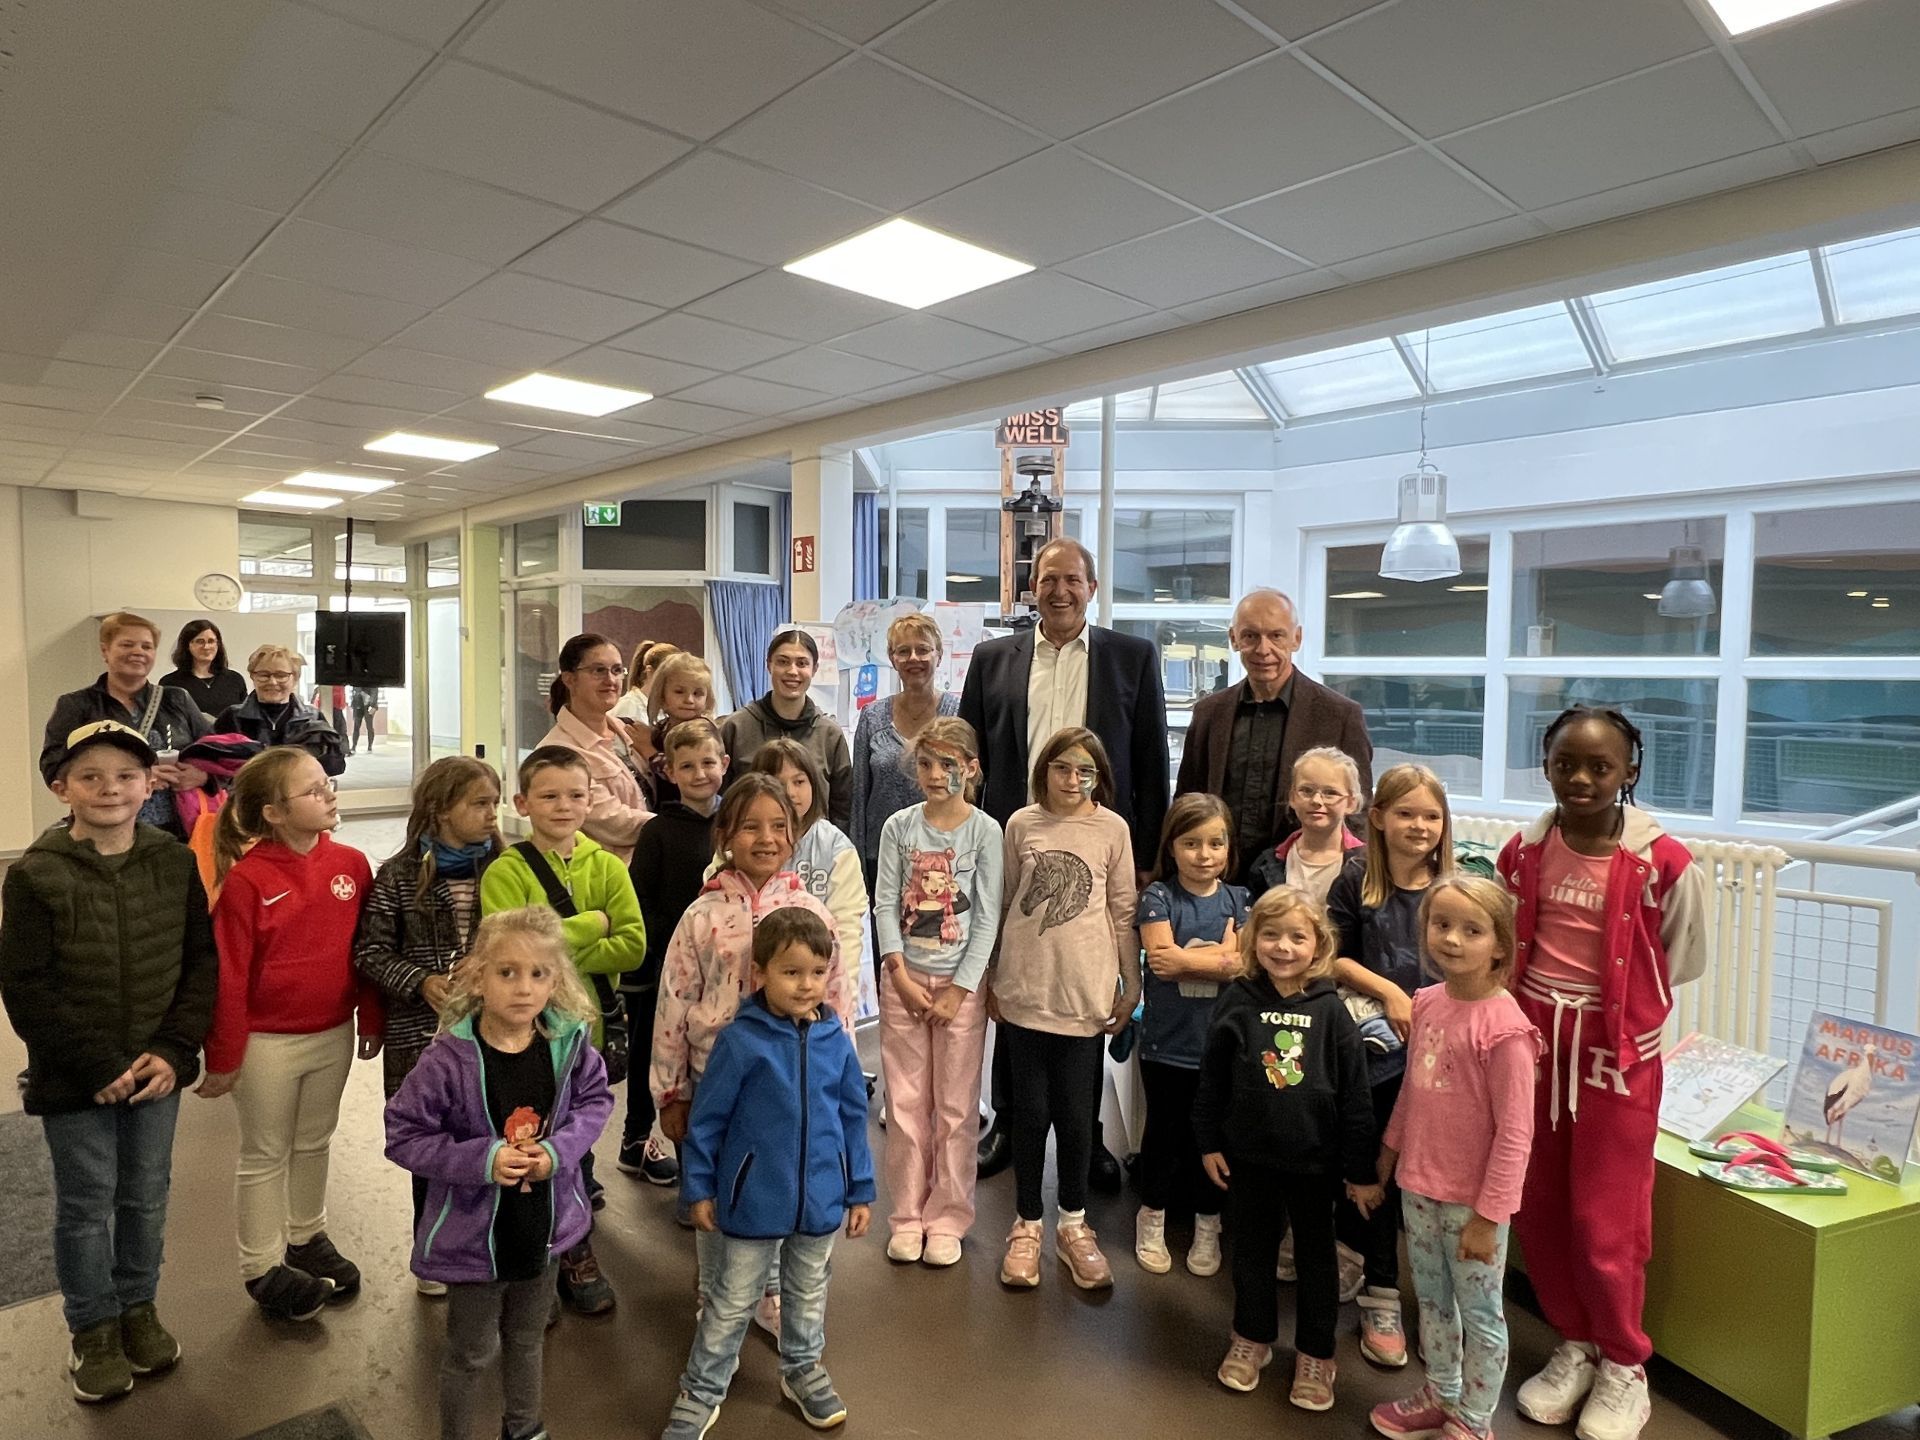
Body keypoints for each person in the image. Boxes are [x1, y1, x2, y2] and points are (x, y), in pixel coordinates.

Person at [1501, 708, 1705, 1440]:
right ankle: (1576, 1341)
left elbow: (1681, 956)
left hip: (1614, 1058)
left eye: (1600, 766)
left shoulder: (1664, 863)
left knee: (1605, 1216)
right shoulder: (1523, 851)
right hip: (1535, 1046)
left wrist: (1622, 1013)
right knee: (1538, 1202)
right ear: (1546, 766)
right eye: (1566, 764)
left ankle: (1624, 1361)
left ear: (1630, 772)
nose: (1581, 778)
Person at [0, 721, 217, 1405]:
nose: (109, 789)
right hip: (75, 1078)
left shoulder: (174, 861)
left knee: (146, 1196)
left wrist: (176, 1050)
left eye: (126, 775)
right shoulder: (35, 874)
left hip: (156, 1070)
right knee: (86, 1204)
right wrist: (95, 1064)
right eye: (89, 777)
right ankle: (93, 1327)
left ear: (150, 784)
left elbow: (200, 962)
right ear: (60, 787)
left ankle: (137, 1308)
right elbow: (26, 986)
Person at [959, 538, 1169, 1183]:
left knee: (1086, 988)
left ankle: (1089, 1134)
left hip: (1097, 844)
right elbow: (971, 756)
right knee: (1013, 977)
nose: (1059, 591)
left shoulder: (1132, 657)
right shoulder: (992, 659)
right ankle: (1009, 1122)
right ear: (1032, 588)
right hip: (1012, 842)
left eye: (1072, 580)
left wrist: (1147, 856)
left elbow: (1151, 759)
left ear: (1092, 587)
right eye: (1048, 579)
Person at [385, 907, 614, 1440]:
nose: (523, 988)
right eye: (507, 972)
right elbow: (403, 1133)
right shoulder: (447, 1061)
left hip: (544, 1230)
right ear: (477, 976)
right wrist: (482, 1161)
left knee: (528, 1338)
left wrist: (558, 1151)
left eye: (539, 973)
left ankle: (524, 1427)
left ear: (557, 981)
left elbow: (595, 1102)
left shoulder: (568, 1045)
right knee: (470, 1351)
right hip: (473, 1241)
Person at [659, 907, 874, 1440]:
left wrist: (860, 1189)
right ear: (760, 974)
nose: (806, 985)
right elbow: (708, 1122)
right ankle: (701, 1389)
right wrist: (699, 1187)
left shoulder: (836, 1042)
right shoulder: (740, 1042)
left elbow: (853, 1118)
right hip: (751, 1202)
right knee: (731, 1300)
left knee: (808, 1293)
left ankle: (802, 1370)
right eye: (791, 972)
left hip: (820, 1201)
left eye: (817, 972)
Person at [650, 774, 853, 1333]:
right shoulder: (701, 916)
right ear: (725, 835)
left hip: (790, 1087)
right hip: (715, 1085)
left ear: (794, 834)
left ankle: (771, 1293)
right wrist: (671, 1091)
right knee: (719, 1191)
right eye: (750, 826)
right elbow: (674, 1003)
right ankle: (715, 1298)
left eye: (779, 826)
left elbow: (837, 997)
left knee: (780, 1187)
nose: (766, 838)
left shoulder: (813, 913)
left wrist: (838, 1078)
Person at [202, 748, 380, 1322]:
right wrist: (225, 1055)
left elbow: (366, 951)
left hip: (333, 1032)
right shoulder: (247, 881)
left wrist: (371, 1017)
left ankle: (307, 1237)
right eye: (312, 790)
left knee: (314, 1140)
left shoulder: (352, 865)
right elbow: (229, 975)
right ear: (274, 813)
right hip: (266, 1044)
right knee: (264, 1153)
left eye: (327, 783)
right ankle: (260, 1267)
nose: (329, 794)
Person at [1193, 886, 1377, 1413]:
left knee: (1317, 1260)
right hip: (1249, 1159)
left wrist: (1360, 1169)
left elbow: (1356, 1096)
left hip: (1315, 1164)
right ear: (1254, 940)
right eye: (1271, 935)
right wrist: (1208, 1140)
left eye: (1298, 937)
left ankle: (1317, 1353)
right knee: (1252, 1253)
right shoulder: (1237, 1000)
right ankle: (1251, 1337)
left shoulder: (1332, 1011)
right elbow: (1212, 1078)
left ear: (1319, 944)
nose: (1283, 947)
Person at [1369, 876, 1539, 1440]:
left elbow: (1515, 1134)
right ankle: (1441, 1393)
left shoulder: (1506, 1030)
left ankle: (1475, 1418)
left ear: (1500, 946)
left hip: (1473, 1204)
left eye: (1472, 930)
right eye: (1441, 925)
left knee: (1481, 1314)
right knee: (1433, 1301)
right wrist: (1389, 1153)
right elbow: (1413, 1091)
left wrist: (1490, 1216)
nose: (1452, 939)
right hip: (1420, 1187)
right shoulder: (1426, 1004)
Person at [481, 745, 647, 1317]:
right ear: (523, 802)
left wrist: (548, 948)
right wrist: (592, 924)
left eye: (576, 795)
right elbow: (506, 952)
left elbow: (633, 946)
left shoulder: (608, 867)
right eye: (548, 795)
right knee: (525, 1137)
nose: (563, 805)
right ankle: (530, 1263)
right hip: (522, 1035)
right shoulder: (505, 872)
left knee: (576, 1144)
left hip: (586, 1034)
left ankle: (574, 1248)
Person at [988, 727, 1139, 1291]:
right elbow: (1006, 901)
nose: (1072, 780)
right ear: (1044, 770)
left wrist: (1131, 985)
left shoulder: (1113, 830)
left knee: (1077, 1118)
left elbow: (1123, 912)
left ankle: (1073, 1224)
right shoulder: (1020, 824)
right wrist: (991, 975)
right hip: (1025, 991)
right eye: (1062, 768)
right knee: (1028, 1116)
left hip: (1083, 996)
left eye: (1085, 771)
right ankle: (1027, 1223)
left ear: (1098, 777)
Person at [352, 755, 505, 1294]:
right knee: (433, 1145)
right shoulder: (398, 876)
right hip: (420, 1037)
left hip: (494, 1031)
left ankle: (489, 1244)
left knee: (491, 1133)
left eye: (494, 802)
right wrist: (420, 981)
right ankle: (435, 1247)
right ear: (440, 810)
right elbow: (370, 951)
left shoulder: (505, 869)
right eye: (479, 803)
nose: (492, 814)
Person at [1326, 763, 1457, 1368]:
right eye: (1405, 813)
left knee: (1426, 1180)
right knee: (1374, 1166)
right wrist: (1390, 994)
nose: (1419, 826)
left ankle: (1438, 1305)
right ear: (1377, 818)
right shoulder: (1355, 878)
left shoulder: (1453, 887)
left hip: (1443, 1058)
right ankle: (1380, 1291)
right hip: (1378, 1053)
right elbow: (1333, 958)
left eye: (1431, 815)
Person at [872, 716, 1002, 1267]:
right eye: (925, 763)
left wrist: (961, 988)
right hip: (904, 982)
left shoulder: (985, 832)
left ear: (970, 769)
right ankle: (906, 1215)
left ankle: (948, 1217)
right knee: (904, 1105)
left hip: (959, 989)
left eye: (947, 764)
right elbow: (884, 903)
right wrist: (898, 973)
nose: (933, 774)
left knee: (954, 1107)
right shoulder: (898, 827)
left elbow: (987, 916)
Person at [1175, 589, 1374, 888]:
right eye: (1250, 636)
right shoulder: (1209, 714)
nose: (1263, 649)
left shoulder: (1340, 716)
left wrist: (1346, 881)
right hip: (1216, 881)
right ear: (1233, 639)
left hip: (1301, 883)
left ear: (1296, 638)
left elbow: (1358, 811)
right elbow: (1187, 802)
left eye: (1276, 636)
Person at [1133, 792, 1248, 1279]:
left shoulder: (1239, 900)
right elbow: (1161, 961)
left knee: (1214, 1140)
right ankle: (1152, 1215)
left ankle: (1208, 1223)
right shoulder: (1158, 897)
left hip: (1220, 1051)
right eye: (1192, 843)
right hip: (1166, 1046)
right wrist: (1218, 959)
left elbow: (1243, 965)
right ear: (1172, 847)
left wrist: (1187, 959)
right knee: (1164, 1134)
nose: (1204, 855)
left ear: (1229, 848)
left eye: (1215, 843)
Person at [620, 718, 728, 1186]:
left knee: (709, 1061)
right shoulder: (657, 832)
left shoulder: (734, 825)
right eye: (687, 766)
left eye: (708, 762)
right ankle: (635, 1137)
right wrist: (659, 959)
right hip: (666, 970)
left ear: (725, 763)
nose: (700, 773)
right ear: (668, 772)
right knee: (656, 1054)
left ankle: (711, 1155)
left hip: (723, 970)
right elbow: (641, 903)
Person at [40, 612, 211, 837]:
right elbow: (52, 765)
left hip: (178, 830)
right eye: (127, 644)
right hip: (103, 829)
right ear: (105, 650)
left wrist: (204, 776)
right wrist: (139, 776)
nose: (138, 652)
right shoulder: (76, 705)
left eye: (146, 646)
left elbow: (217, 752)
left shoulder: (177, 699)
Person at [850, 612, 960, 894]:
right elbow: (859, 796)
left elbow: (970, 791)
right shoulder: (872, 717)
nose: (914, 658)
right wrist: (857, 868)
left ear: (939, 655)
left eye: (923, 649)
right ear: (892, 658)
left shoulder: (958, 715)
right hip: (880, 858)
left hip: (943, 858)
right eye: (903, 651)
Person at [750, 738, 866, 993]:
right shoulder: (742, 841)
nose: (790, 793)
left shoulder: (836, 848)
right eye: (778, 783)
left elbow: (846, 931)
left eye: (799, 782)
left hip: (814, 986)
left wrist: (840, 997)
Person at [720, 627, 854, 832]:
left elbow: (842, 807)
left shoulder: (830, 734)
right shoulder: (736, 728)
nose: (792, 671)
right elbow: (722, 799)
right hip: (754, 843)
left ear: (814, 669)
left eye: (802, 663)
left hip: (814, 847)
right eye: (783, 662)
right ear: (769, 665)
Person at [539, 632, 652, 864]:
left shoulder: (632, 732)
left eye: (617, 670)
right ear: (569, 679)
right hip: (605, 875)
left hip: (652, 866)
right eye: (598, 670)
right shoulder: (556, 753)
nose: (610, 680)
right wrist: (676, 826)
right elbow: (615, 823)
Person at [1248, 747, 1367, 902]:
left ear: (1351, 803)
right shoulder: (1266, 864)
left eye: (1330, 793)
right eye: (1306, 790)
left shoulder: (1368, 864)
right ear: (1292, 797)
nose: (1316, 800)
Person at [213, 646, 346, 777]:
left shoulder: (313, 718)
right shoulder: (232, 717)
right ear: (253, 677)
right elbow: (214, 765)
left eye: (281, 675)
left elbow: (335, 767)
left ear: (295, 678)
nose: (272, 682)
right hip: (247, 790)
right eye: (264, 675)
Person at [641, 651, 716, 809]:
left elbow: (685, 770)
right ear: (662, 695)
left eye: (697, 693)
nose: (689, 700)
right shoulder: (661, 728)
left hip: (694, 810)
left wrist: (649, 752)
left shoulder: (702, 732)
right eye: (679, 692)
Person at [159, 619, 248, 723]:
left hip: (231, 734)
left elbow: (245, 718)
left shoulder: (235, 679)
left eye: (211, 641)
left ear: (218, 645)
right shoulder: (170, 683)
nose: (206, 647)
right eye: (200, 641)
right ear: (187, 645)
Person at [348, 686, 378, 754]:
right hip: (358, 704)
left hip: (369, 706)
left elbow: (374, 692)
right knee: (356, 726)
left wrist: (373, 706)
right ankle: (353, 746)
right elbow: (355, 690)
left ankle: (370, 747)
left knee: (369, 727)